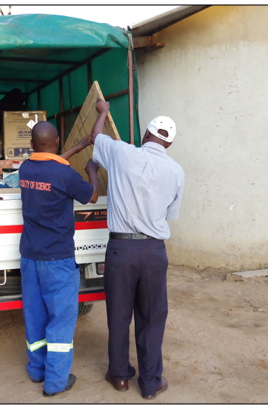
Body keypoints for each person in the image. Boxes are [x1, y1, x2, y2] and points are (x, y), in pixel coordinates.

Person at [89, 98, 185, 400]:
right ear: (168, 144)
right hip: (154, 252)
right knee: (152, 316)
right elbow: (170, 214)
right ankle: (150, 382)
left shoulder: (121, 153)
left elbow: (95, 138)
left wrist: (103, 113)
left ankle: (119, 375)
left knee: (118, 314)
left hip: (121, 250)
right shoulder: (177, 172)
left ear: (146, 134)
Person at [19, 121, 99, 397]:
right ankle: (55, 382)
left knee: (35, 315)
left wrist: (79, 146)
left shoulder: (26, 168)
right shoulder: (64, 175)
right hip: (57, 260)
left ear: (32, 145)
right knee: (61, 321)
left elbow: (51, 166)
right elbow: (91, 197)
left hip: (30, 258)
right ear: (56, 142)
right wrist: (91, 172)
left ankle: (36, 370)